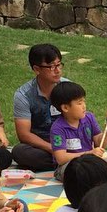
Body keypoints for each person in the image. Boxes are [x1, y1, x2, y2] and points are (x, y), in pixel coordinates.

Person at [50, 81, 107, 182]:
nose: (84, 106)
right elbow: (61, 158)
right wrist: (89, 153)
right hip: (69, 167)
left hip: (90, 163)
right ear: (65, 108)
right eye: (79, 103)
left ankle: (100, 180)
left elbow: (100, 143)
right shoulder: (58, 128)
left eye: (84, 101)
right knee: (80, 172)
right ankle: (102, 180)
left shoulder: (89, 117)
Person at [12, 43, 67, 172]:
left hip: (66, 140)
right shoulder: (23, 95)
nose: (57, 70)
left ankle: (66, 159)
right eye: (51, 66)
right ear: (37, 69)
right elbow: (24, 134)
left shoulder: (67, 87)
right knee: (19, 152)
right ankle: (67, 160)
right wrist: (52, 149)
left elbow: (79, 119)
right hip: (42, 145)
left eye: (59, 65)